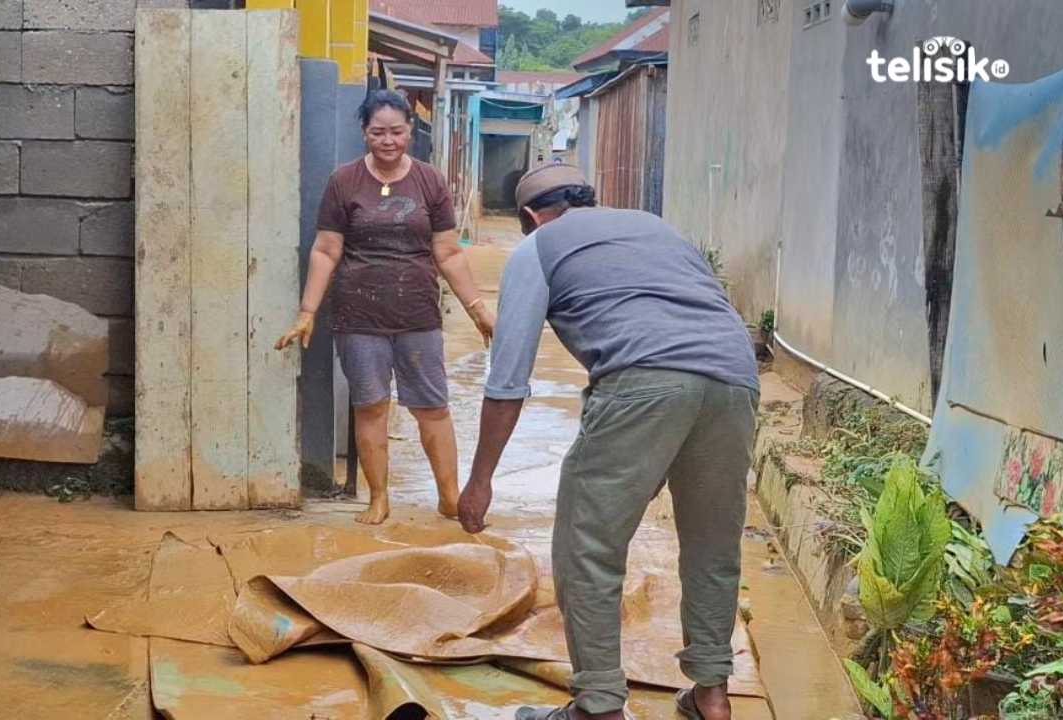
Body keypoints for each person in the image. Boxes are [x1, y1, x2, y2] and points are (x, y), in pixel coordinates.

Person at [457, 164, 759, 720]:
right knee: (712, 544)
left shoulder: (537, 249)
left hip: (640, 380)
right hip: (734, 379)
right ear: (591, 200)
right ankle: (712, 697)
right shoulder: (657, 228)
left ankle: (597, 707)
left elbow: (508, 380)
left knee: (588, 549)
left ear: (530, 217)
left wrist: (479, 481)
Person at [276, 89, 496, 525]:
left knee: (432, 406)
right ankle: (378, 498)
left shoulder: (430, 181)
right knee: (372, 405)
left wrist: (477, 308)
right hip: (359, 316)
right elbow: (326, 249)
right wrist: (307, 312)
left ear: (410, 131)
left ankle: (449, 496)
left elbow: (448, 252)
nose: (388, 140)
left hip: (417, 314)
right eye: (378, 132)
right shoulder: (344, 181)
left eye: (397, 131)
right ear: (364, 133)